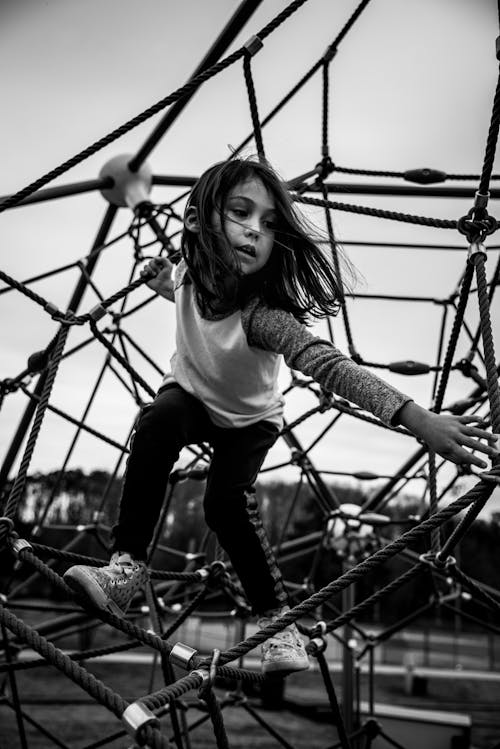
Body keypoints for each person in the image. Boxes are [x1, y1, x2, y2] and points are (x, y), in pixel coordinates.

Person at [64, 156, 498, 675]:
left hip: (250, 420)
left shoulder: (264, 318)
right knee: (158, 419)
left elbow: (332, 367)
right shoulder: (187, 274)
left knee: (225, 504)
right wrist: (161, 279)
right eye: (240, 212)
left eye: (270, 223)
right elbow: (182, 283)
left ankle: (279, 626)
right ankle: (127, 568)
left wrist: (416, 418)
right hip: (191, 396)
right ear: (199, 220)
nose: (255, 230)